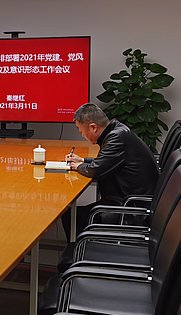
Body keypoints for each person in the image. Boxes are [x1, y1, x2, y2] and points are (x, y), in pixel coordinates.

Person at [62, 103, 160, 241]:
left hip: (132, 209)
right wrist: (82, 160)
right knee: (75, 214)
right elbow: (107, 161)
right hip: (133, 200)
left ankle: (80, 250)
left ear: (93, 127)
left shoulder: (116, 138)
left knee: (71, 216)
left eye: (81, 131)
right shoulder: (117, 130)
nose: (82, 135)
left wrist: (77, 166)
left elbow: (95, 170)